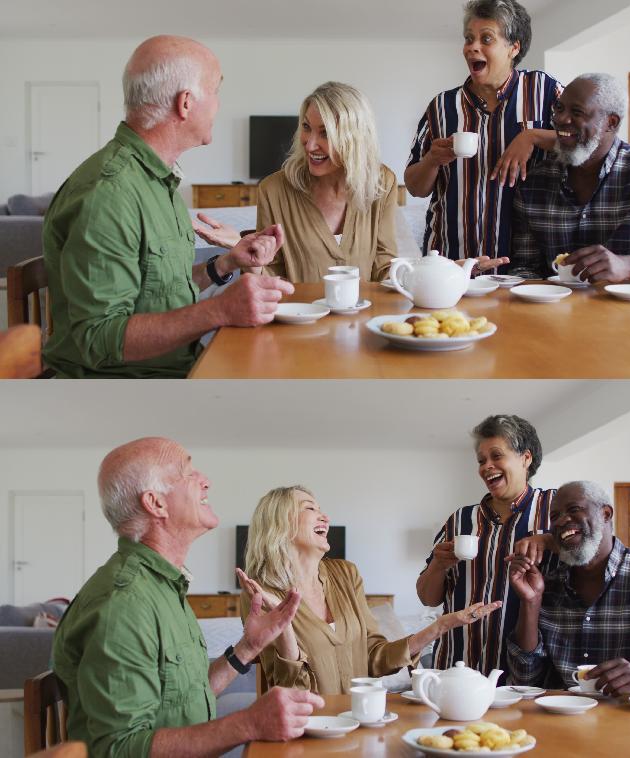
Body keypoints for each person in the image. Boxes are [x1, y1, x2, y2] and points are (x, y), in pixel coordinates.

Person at [41, 35, 295, 378]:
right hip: (123, 388)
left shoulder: (159, 181)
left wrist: (224, 264)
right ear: (186, 103)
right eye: (216, 90)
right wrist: (219, 310)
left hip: (175, 370)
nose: (219, 104)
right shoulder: (108, 195)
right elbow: (98, 338)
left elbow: (154, 293)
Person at [52, 437, 323, 756]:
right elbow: (118, 748)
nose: (205, 481)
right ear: (156, 504)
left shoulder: (163, 587)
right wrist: (249, 723)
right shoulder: (123, 604)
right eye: (187, 473)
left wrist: (248, 648)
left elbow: (184, 699)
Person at [241, 485, 501, 694]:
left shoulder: (346, 574)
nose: (325, 517)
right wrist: (285, 633)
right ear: (280, 523)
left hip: (358, 720)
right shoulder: (260, 594)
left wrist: (440, 626)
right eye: (310, 508)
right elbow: (287, 688)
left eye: (321, 509)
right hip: (303, 730)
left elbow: (376, 657)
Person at [505, 481, 630, 694]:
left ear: (605, 514)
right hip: (561, 719)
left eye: (574, 510)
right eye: (555, 517)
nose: (561, 521)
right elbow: (525, 679)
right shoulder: (547, 585)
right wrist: (531, 602)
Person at [405, 0, 562, 269]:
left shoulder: (544, 90)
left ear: (514, 47)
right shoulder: (442, 107)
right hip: (450, 263)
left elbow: (584, 141)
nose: (471, 47)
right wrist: (432, 160)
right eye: (469, 38)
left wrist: (532, 136)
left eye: (486, 38)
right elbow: (414, 187)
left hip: (526, 266)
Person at [193, 82, 402, 283]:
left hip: (366, 317)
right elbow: (269, 273)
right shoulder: (273, 190)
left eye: (325, 133)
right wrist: (245, 253)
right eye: (306, 127)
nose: (310, 145)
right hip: (298, 316)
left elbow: (386, 267)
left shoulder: (381, 182)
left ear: (355, 138)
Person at [511, 73, 630, 284]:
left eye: (577, 112)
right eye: (559, 108)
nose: (560, 119)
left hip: (628, 312)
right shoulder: (534, 183)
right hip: (554, 309)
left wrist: (626, 266)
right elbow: (525, 266)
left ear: (611, 122)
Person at [416, 414, 554, 673]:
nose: (486, 466)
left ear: (526, 458)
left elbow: (593, 548)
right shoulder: (460, 520)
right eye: (481, 460)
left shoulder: (553, 509)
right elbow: (427, 598)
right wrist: (437, 566)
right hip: (457, 667)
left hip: (529, 674)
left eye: (496, 456)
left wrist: (548, 539)